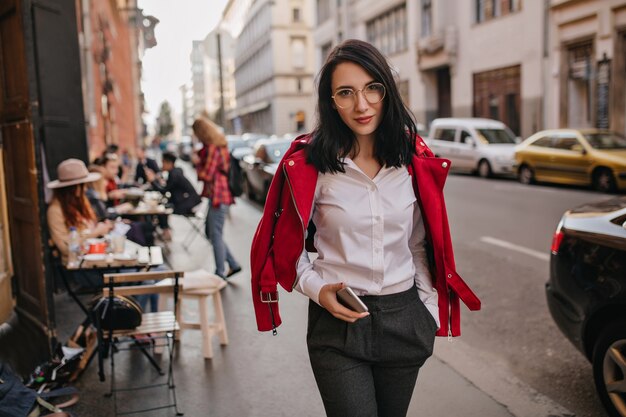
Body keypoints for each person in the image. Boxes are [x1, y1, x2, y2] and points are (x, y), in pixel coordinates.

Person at [250, 39, 481, 417]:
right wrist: (317, 289)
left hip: (405, 319)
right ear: (331, 101)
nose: (361, 104)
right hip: (337, 325)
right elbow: (286, 250)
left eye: (372, 88)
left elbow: (419, 244)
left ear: (387, 91)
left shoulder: (412, 162)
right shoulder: (312, 166)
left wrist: (428, 313)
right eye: (345, 93)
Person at [47, 158, 113, 287]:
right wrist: (95, 233)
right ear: (74, 188)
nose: (85, 188)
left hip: (95, 260)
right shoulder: (55, 211)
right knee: (136, 278)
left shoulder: (80, 203)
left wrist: (100, 230)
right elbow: (66, 248)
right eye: (83, 184)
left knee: (142, 276)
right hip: (80, 267)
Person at [192, 117, 242, 279]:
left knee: (215, 233)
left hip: (219, 196)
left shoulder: (213, 148)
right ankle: (233, 264)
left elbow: (207, 174)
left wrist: (197, 163)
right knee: (211, 232)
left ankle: (220, 273)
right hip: (217, 196)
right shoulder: (216, 146)